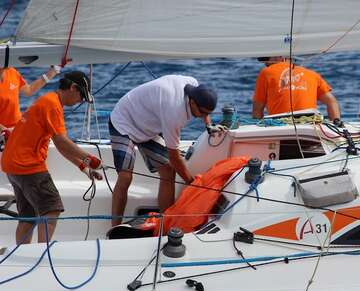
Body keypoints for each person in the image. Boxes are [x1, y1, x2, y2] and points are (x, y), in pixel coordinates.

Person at [1, 71, 103, 245]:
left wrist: (85, 168)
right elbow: (62, 142)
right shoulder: (53, 105)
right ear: (72, 88)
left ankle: (23, 252)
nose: (81, 101)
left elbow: (62, 147)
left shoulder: (48, 100)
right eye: (81, 96)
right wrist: (91, 158)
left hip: (12, 165)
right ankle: (43, 254)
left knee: (28, 216)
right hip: (27, 166)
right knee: (51, 209)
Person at [108, 75, 217, 226]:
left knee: (168, 171)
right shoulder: (175, 112)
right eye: (203, 113)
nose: (205, 116)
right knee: (125, 177)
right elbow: (174, 157)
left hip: (148, 127)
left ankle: (166, 223)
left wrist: (208, 125)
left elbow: (204, 108)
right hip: (124, 122)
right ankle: (114, 227)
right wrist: (192, 184)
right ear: (192, 102)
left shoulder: (193, 85)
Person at [252, 56, 341, 124]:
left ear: (280, 57)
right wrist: (336, 124)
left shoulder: (266, 72)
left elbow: (257, 109)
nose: (265, 64)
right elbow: (332, 102)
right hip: (311, 123)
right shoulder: (312, 74)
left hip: (280, 123)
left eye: (266, 59)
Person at [0, 65, 61, 131]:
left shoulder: (12, 72)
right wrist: (5, 131)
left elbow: (29, 90)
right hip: (4, 132)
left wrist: (53, 71)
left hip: (17, 126)